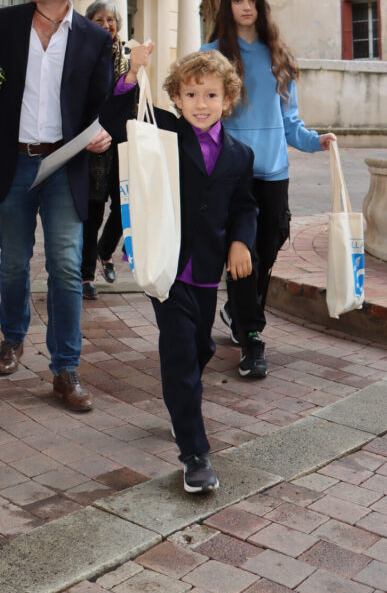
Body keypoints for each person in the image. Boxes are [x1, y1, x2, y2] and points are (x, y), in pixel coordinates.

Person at [100, 45, 258, 493]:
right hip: (165, 264)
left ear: (228, 99)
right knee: (180, 353)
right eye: (190, 95)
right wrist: (131, 74)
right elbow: (114, 119)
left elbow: (245, 206)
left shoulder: (240, 155)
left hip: (206, 270)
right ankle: (195, 454)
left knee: (200, 346)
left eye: (210, 95)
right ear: (175, 98)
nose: (200, 104)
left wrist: (241, 241)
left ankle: (180, 404)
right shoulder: (163, 131)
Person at [0, 0, 113, 412]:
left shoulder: (95, 38)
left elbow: (102, 105)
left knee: (65, 266)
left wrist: (103, 133)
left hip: (64, 164)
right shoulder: (1, 24)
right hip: (14, 161)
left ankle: (65, 368)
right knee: (14, 261)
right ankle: (13, 338)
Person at [202, 0, 336, 380]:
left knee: (270, 244)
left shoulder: (279, 56)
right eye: (237, 0)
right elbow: (202, 116)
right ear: (227, 7)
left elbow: (289, 121)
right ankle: (251, 338)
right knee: (244, 254)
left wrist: (315, 141)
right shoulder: (212, 56)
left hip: (275, 172)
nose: (246, 7)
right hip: (233, 173)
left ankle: (237, 311)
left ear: (261, 6)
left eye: (252, 0)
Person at [81, 0, 129, 300]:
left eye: (110, 19)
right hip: (95, 143)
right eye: (99, 20)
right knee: (93, 213)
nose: (106, 25)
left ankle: (106, 249)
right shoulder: (83, 55)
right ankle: (86, 276)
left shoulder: (128, 57)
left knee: (127, 205)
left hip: (123, 142)